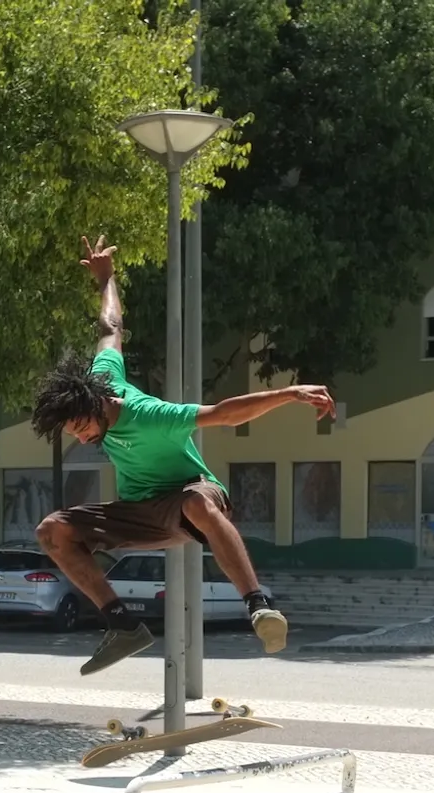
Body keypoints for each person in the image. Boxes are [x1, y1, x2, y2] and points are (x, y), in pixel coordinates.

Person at [32, 236, 335, 674]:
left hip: (192, 499)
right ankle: (122, 626)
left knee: (194, 500)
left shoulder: (150, 414)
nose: (82, 439)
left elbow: (224, 415)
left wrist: (289, 393)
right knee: (51, 530)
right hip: (140, 511)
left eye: (82, 428)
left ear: (97, 407)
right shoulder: (100, 377)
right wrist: (106, 279)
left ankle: (259, 605)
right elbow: (110, 328)